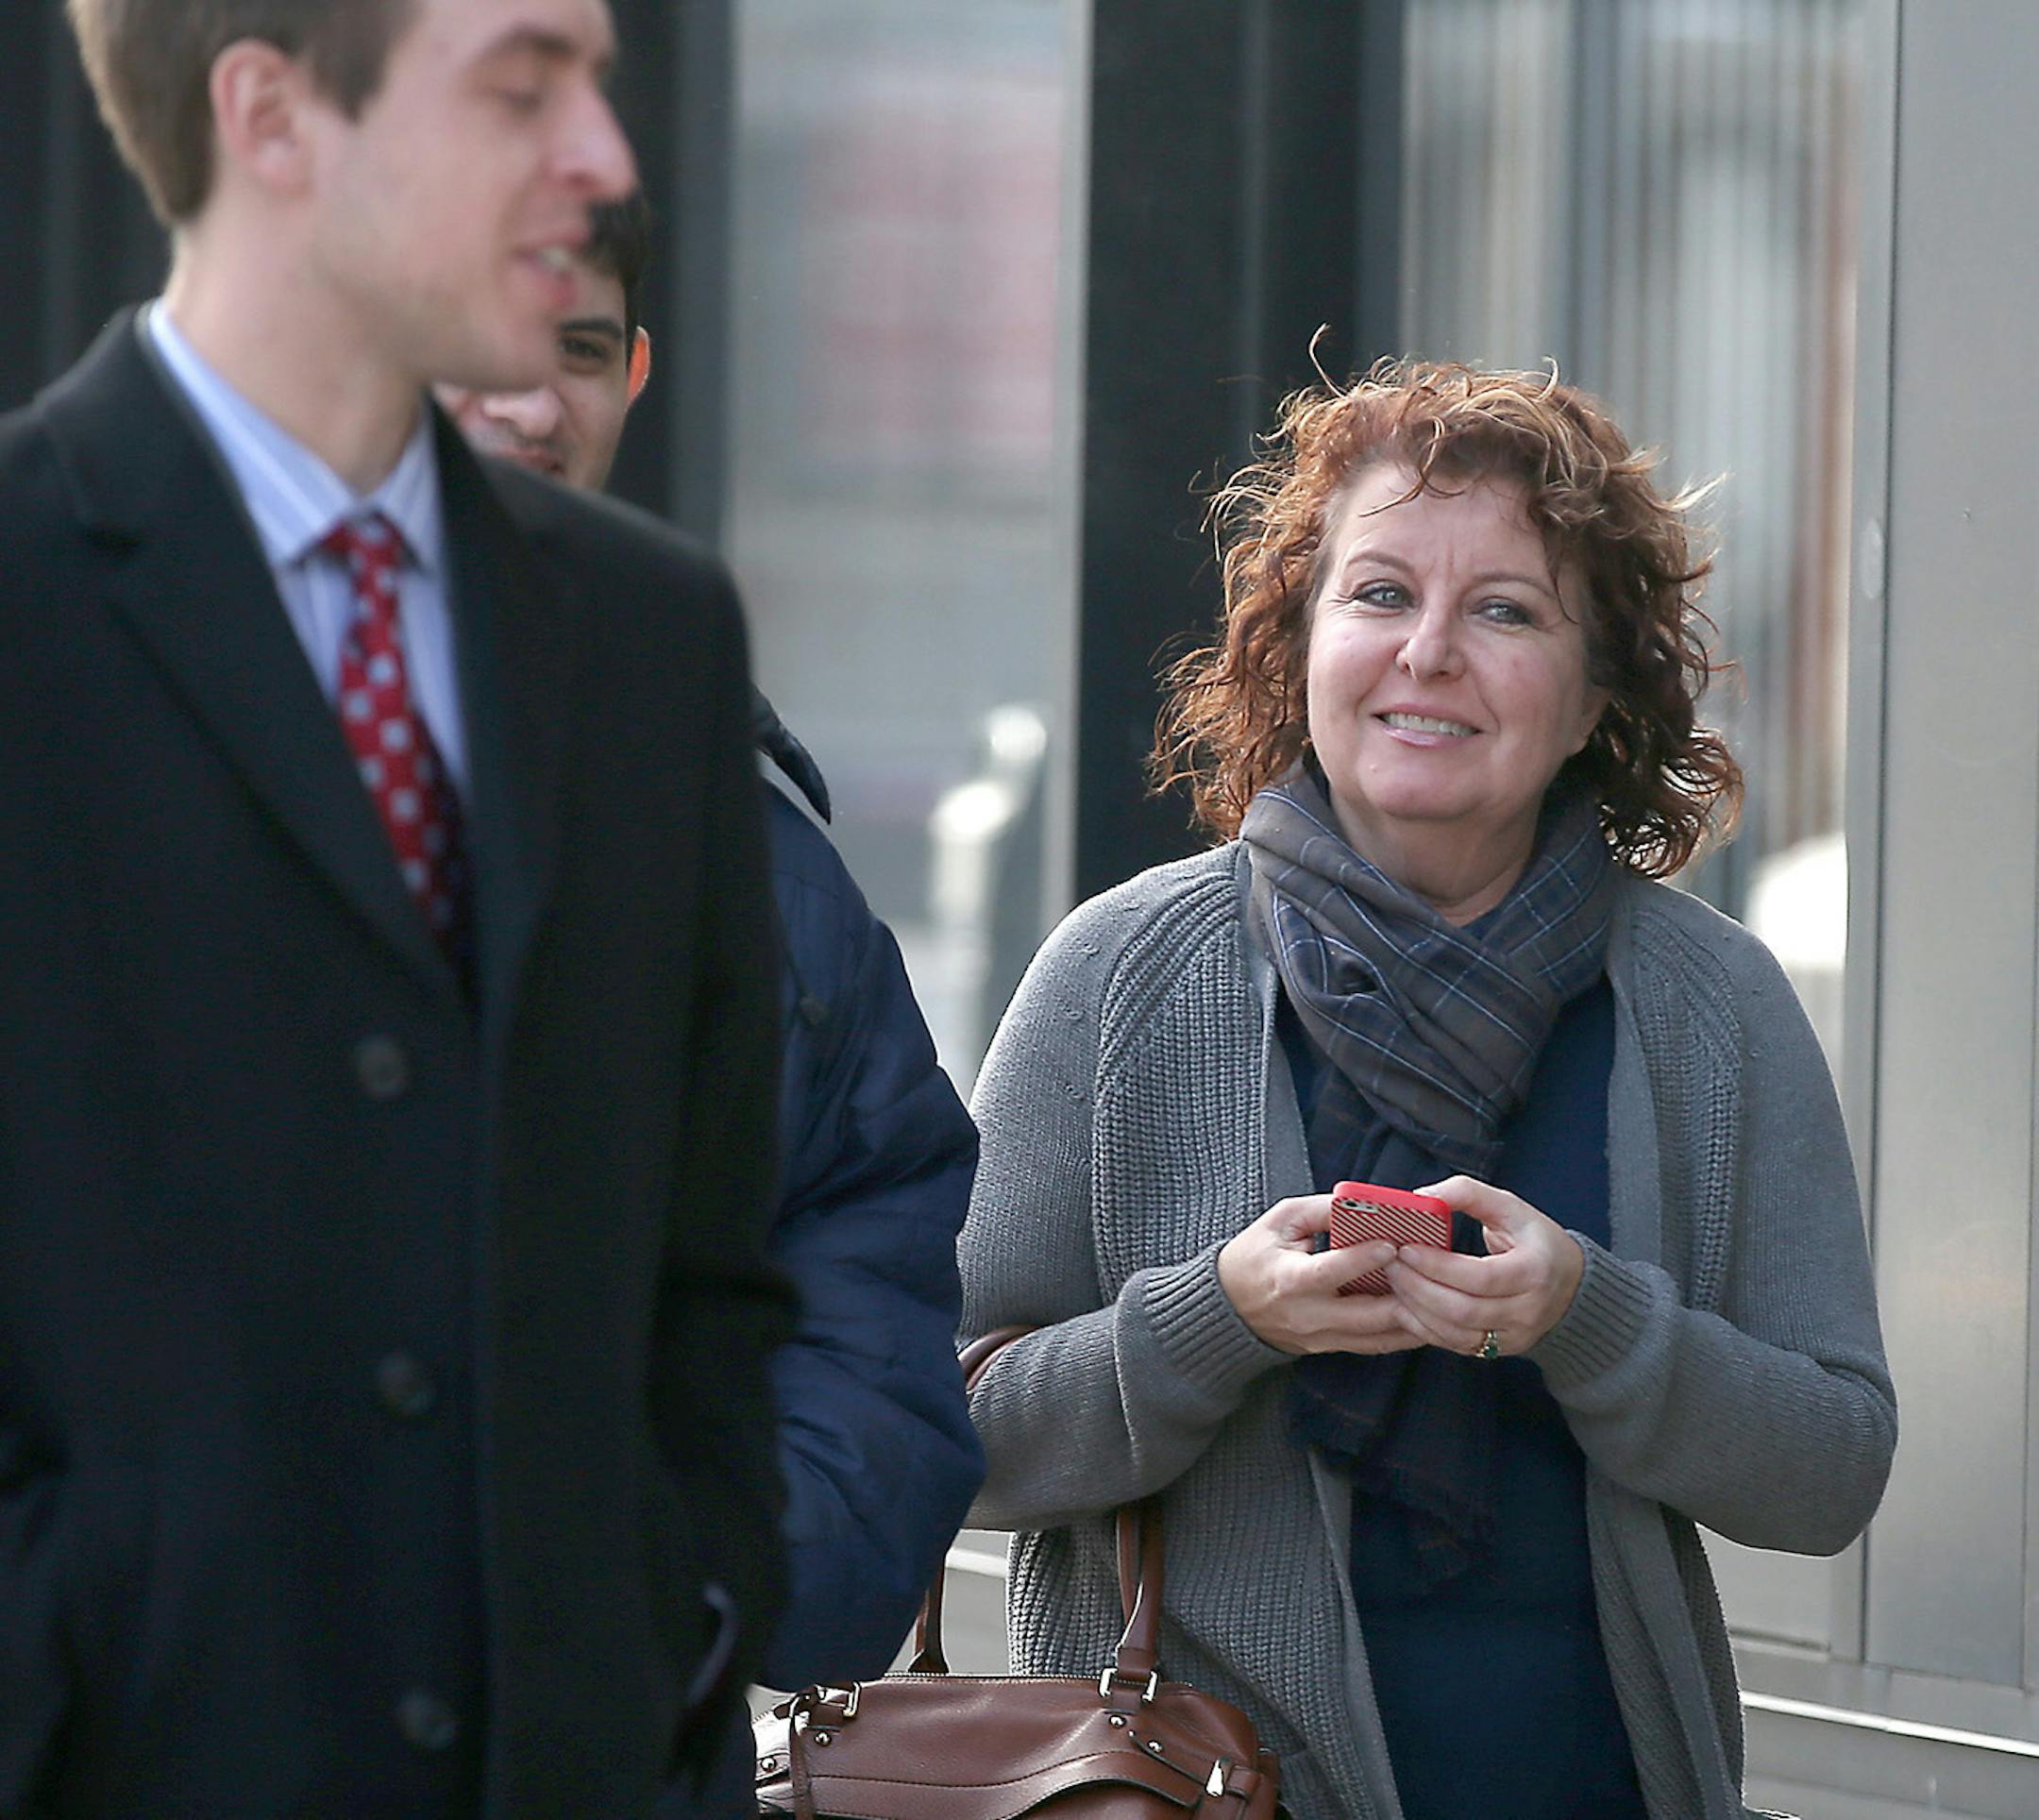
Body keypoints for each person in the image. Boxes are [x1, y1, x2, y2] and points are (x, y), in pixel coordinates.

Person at [1, 3, 791, 1815]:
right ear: (273, 117)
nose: (604, 156)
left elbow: (709, 1287)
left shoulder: (653, 637)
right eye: (524, 87)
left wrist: (670, 1618)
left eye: (595, 82)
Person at [958, 361, 1896, 1820]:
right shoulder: (1119, 975)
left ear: (1597, 699)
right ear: (1300, 646)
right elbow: (933, 1433)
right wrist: (1217, 1320)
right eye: (1380, 594)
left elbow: (1832, 1470)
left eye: (1507, 610)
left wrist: (1589, 1319)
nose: (1429, 654)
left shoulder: (1714, 1009)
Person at [436, 199, 986, 1796]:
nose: (532, 400)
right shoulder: (122, 736)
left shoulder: (761, 871)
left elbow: (869, 1332)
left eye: (578, 349)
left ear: (638, 373)